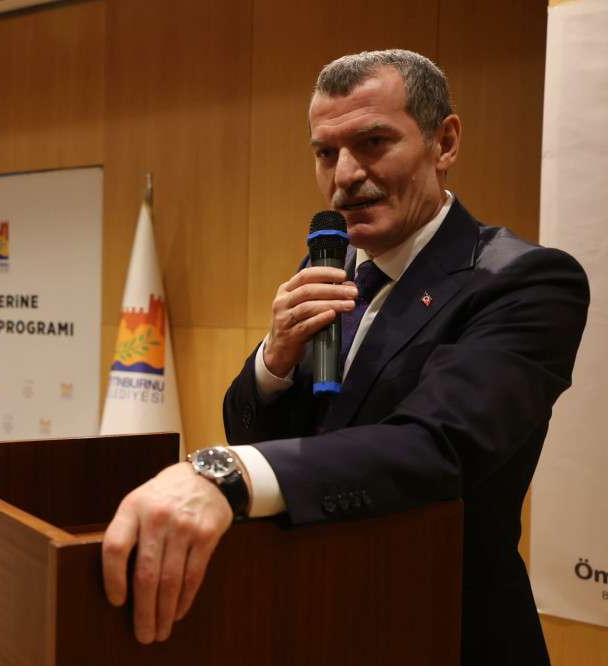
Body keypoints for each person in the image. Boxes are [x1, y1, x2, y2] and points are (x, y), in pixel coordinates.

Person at [101, 49, 589, 665]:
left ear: (444, 142)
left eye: (373, 142)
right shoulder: (327, 264)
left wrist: (229, 476)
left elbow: (437, 447)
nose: (346, 175)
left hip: (446, 632)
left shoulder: (525, 280)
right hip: (314, 618)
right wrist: (273, 362)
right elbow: (264, 430)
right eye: (326, 153)